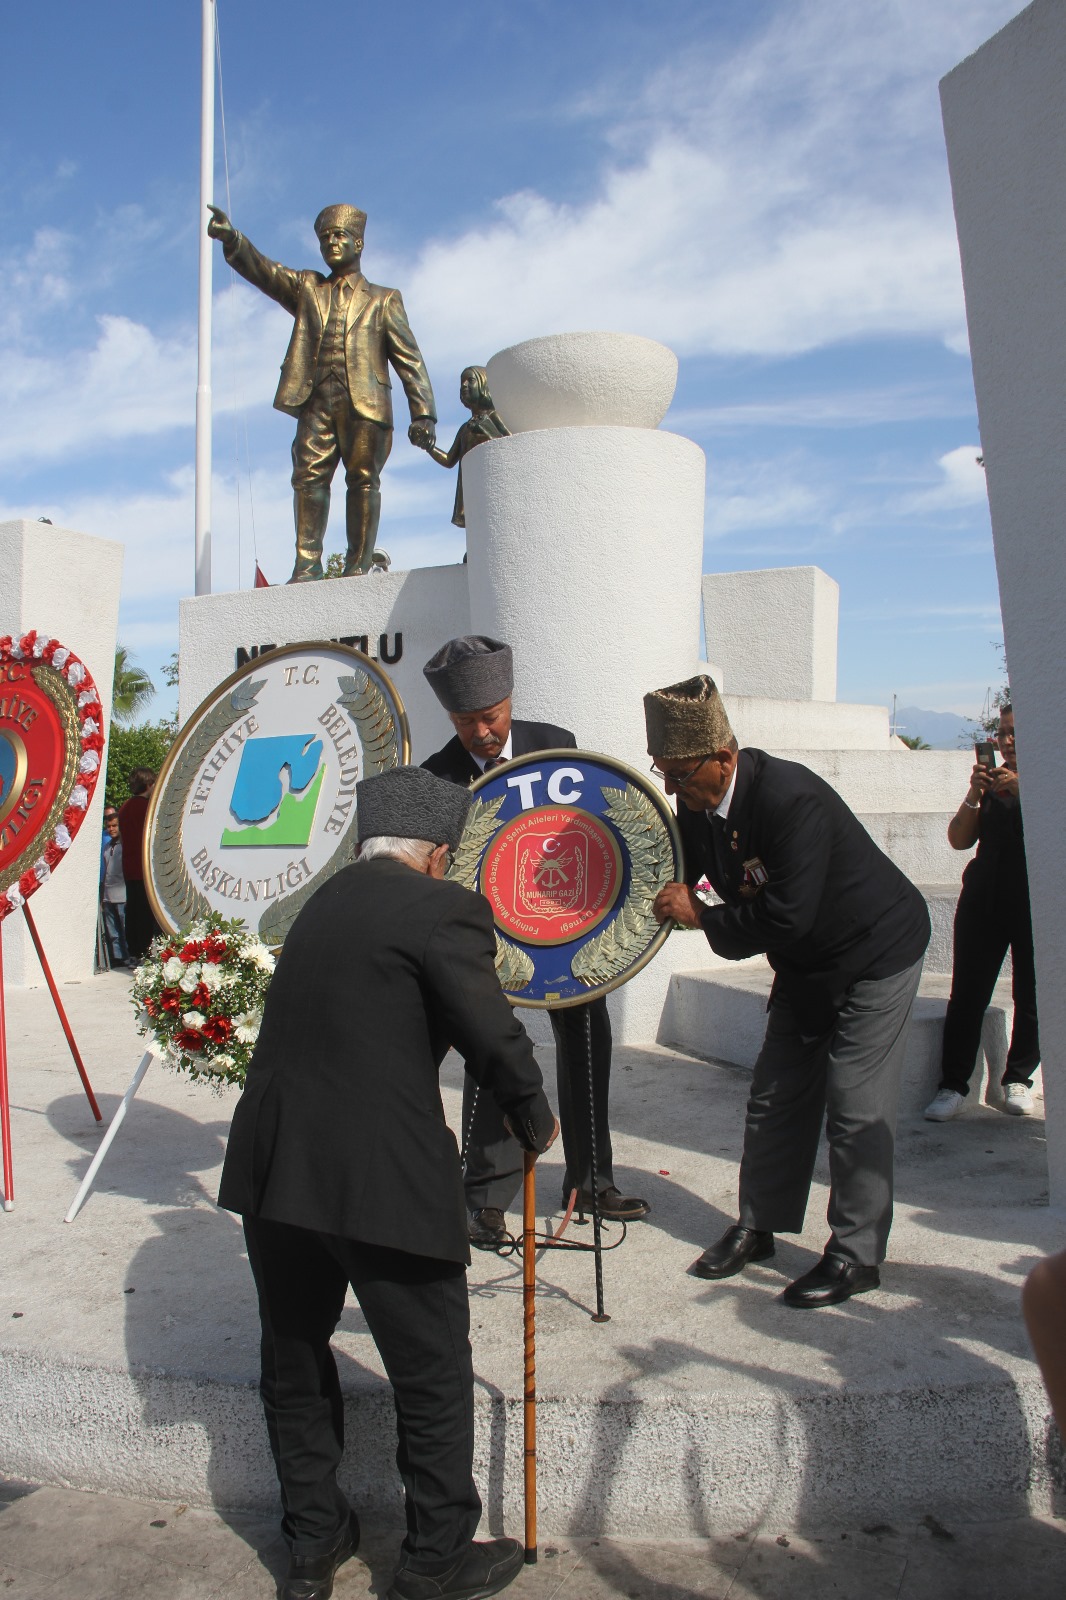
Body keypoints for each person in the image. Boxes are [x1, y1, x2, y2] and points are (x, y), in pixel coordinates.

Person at [218, 766, 557, 1600]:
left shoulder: (319, 905)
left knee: (294, 1359)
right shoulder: (443, 908)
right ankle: (437, 1559)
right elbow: (489, 1028)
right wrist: (532, 1113)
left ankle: (311, 1545)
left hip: (275, 1169)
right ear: (436, 853)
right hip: (379, 1175)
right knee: (432, 1368)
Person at [646, 675, 930, 1309]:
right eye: (660, 770)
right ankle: (760, 1225)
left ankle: (856, 1256)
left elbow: (785, 916)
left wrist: (701, 916)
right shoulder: (697, 806)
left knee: (856, 1105)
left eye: (680, 773)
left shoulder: (790, 798)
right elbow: (680, 874)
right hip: (806, 965)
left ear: (724, 758)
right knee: (774, 1095)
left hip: (873, 950)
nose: (671, 787)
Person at [421, 634, 649, 1247]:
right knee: (493, 1055)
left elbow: (592, 828)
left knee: (586, 1047)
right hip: (487, 947)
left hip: (569, 933)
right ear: (451, 718)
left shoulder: (557, 746)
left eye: (490, 718)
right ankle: (487, 1199)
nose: (481, 733)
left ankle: (592, 1181)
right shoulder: (438, 778)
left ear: (509, 702)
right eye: (466, 722)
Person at [206, 202, 436, 582]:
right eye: (325, 237)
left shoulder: (384, 298)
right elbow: (268, 273)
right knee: (308, 477)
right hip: (315, 400)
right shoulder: (309, 288)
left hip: (366, 403)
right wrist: (235, 240)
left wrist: (423, 411)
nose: (332, 242)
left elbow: (409, 358)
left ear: (358, 243)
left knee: (362, 479)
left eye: (339, 235)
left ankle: (357, 566)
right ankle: (307, 565)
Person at [924, 704, 1040, 1121]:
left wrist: (1025, 788)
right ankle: (953, 1085)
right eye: (1002, 734)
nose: (1007, 742)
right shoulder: (989, 788)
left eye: (1015, 733)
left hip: (1033, 901)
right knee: (968, 994)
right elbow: (958, 839)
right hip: (983, 899)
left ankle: (1019, 1078)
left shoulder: (1048, 784)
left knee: (1031, 994)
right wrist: (975, 793)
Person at [423, 366, 509, 528]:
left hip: (491, 485)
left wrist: (487, 430)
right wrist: (428, 446)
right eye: (462, 382)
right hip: (471, 488)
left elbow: (508, 444)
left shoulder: (493, 417)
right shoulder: (465, 429)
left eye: (470, 380)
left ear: (484, 384)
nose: (464, 385)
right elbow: (449, 460)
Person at [118, 768, 162, 963]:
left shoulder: (124, 808)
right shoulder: (148, 808)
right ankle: (145, 952)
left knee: (134, 911)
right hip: (146, 868)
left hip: (129, 866)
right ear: (149, 785)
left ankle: (134, 951)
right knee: (147, 913)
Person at [99, 811, 128, 967]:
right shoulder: (107, 847)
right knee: (112, 930)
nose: (111, 829)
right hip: (108, 894)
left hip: (122, 893)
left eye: (114, 825)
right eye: (109, 826)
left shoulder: (125, 845)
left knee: (125, 928)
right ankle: (117, 957)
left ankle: (129, 956)